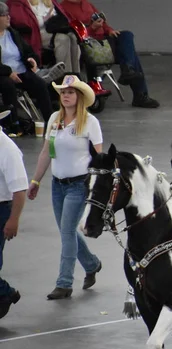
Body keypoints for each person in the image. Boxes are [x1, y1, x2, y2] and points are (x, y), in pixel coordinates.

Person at [27, 74, 102, 300]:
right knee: (66, 231)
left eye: (70, 92)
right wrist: (36, 180)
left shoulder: (90, 122)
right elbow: (46, 152)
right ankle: (92, 264)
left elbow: (99, 158)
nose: (66, 96)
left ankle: (64, 283)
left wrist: (95, 188)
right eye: (63, 92)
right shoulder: (54, 119)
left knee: (67, 232)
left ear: (79, 96)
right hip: (57, 184)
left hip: (78, 185)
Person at [59, 0, 159, 108]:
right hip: (89, 44)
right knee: (130, 55)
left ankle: (128, 69)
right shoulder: (64, 8)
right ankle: (137, 88)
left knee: (126, 35)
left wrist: (109, 30)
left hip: (105, 40)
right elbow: (74, 33)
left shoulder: (86, 3)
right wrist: (92, 28)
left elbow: (102, 22)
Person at [0, 1, 53, 137]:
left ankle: (51, 121)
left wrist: (32, 59)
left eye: (8, 14)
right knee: (8, 85)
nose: (8, 17)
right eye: (4, 15)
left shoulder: (13, 33)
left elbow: (28, 51)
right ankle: (14, 124)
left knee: (40, 84)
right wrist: (8, 72)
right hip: (4, 74)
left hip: (21, 70)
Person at [0, 110, 27, 319]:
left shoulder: (7, 148)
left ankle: (5, 293)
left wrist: (13, 220)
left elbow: (19, 189)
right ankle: (4, 293)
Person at [7, 0, 80, 75]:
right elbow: (22, 23)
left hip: (53, 30)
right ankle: (66, 76)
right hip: (35, 33)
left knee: (73, 37)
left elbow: (63, 16)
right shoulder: (18, 3)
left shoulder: (49, 1)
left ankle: (76, 74)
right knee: (63, 39)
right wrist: (46, 18)